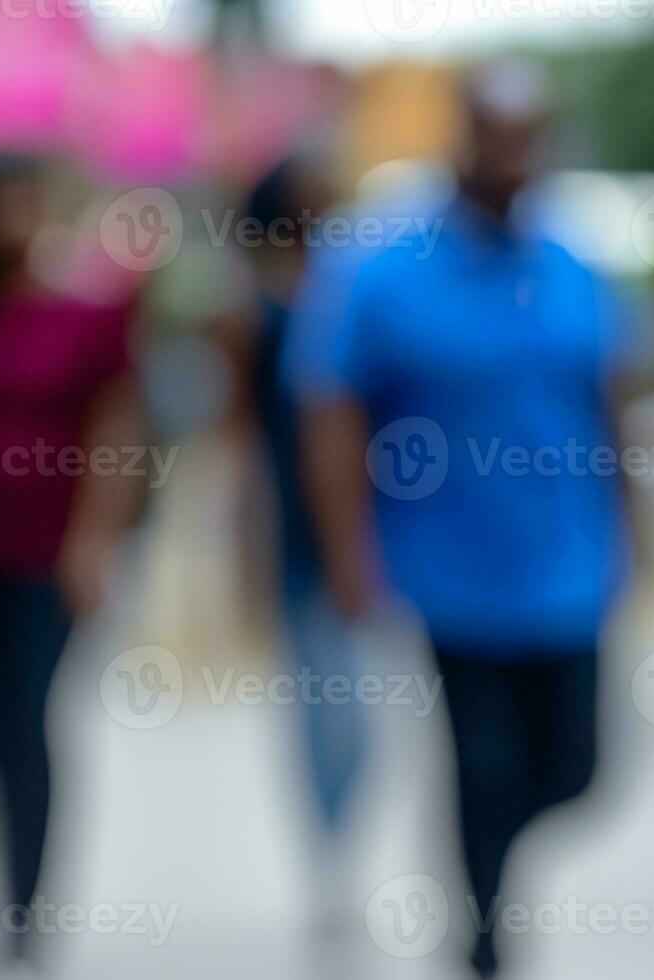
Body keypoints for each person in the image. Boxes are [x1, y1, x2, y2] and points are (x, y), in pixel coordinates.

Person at [297, 60, 631, 978]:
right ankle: (484, 933)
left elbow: (611, 403)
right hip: (446, 565)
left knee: (575, 767)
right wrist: (346, 553)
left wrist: (637, 536)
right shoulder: (382, 269)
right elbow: (332, 414)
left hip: (565, 561)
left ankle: (490, 865)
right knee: (478, 765)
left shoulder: (571, 264)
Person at [0, 156, 146, 969]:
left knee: (27, 720)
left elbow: (116, 433)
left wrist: (93, 543)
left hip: (46, 557)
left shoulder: (85, 313)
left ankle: (27, 901)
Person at [237, 155, 370, 923]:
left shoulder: (363, 293)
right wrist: (246, 542)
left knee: (366, 716)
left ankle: (341, 836)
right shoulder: (256, 310)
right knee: (328, 708)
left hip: (375, 535)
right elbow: (242, 443)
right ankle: (328, 849)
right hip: (297, 535)